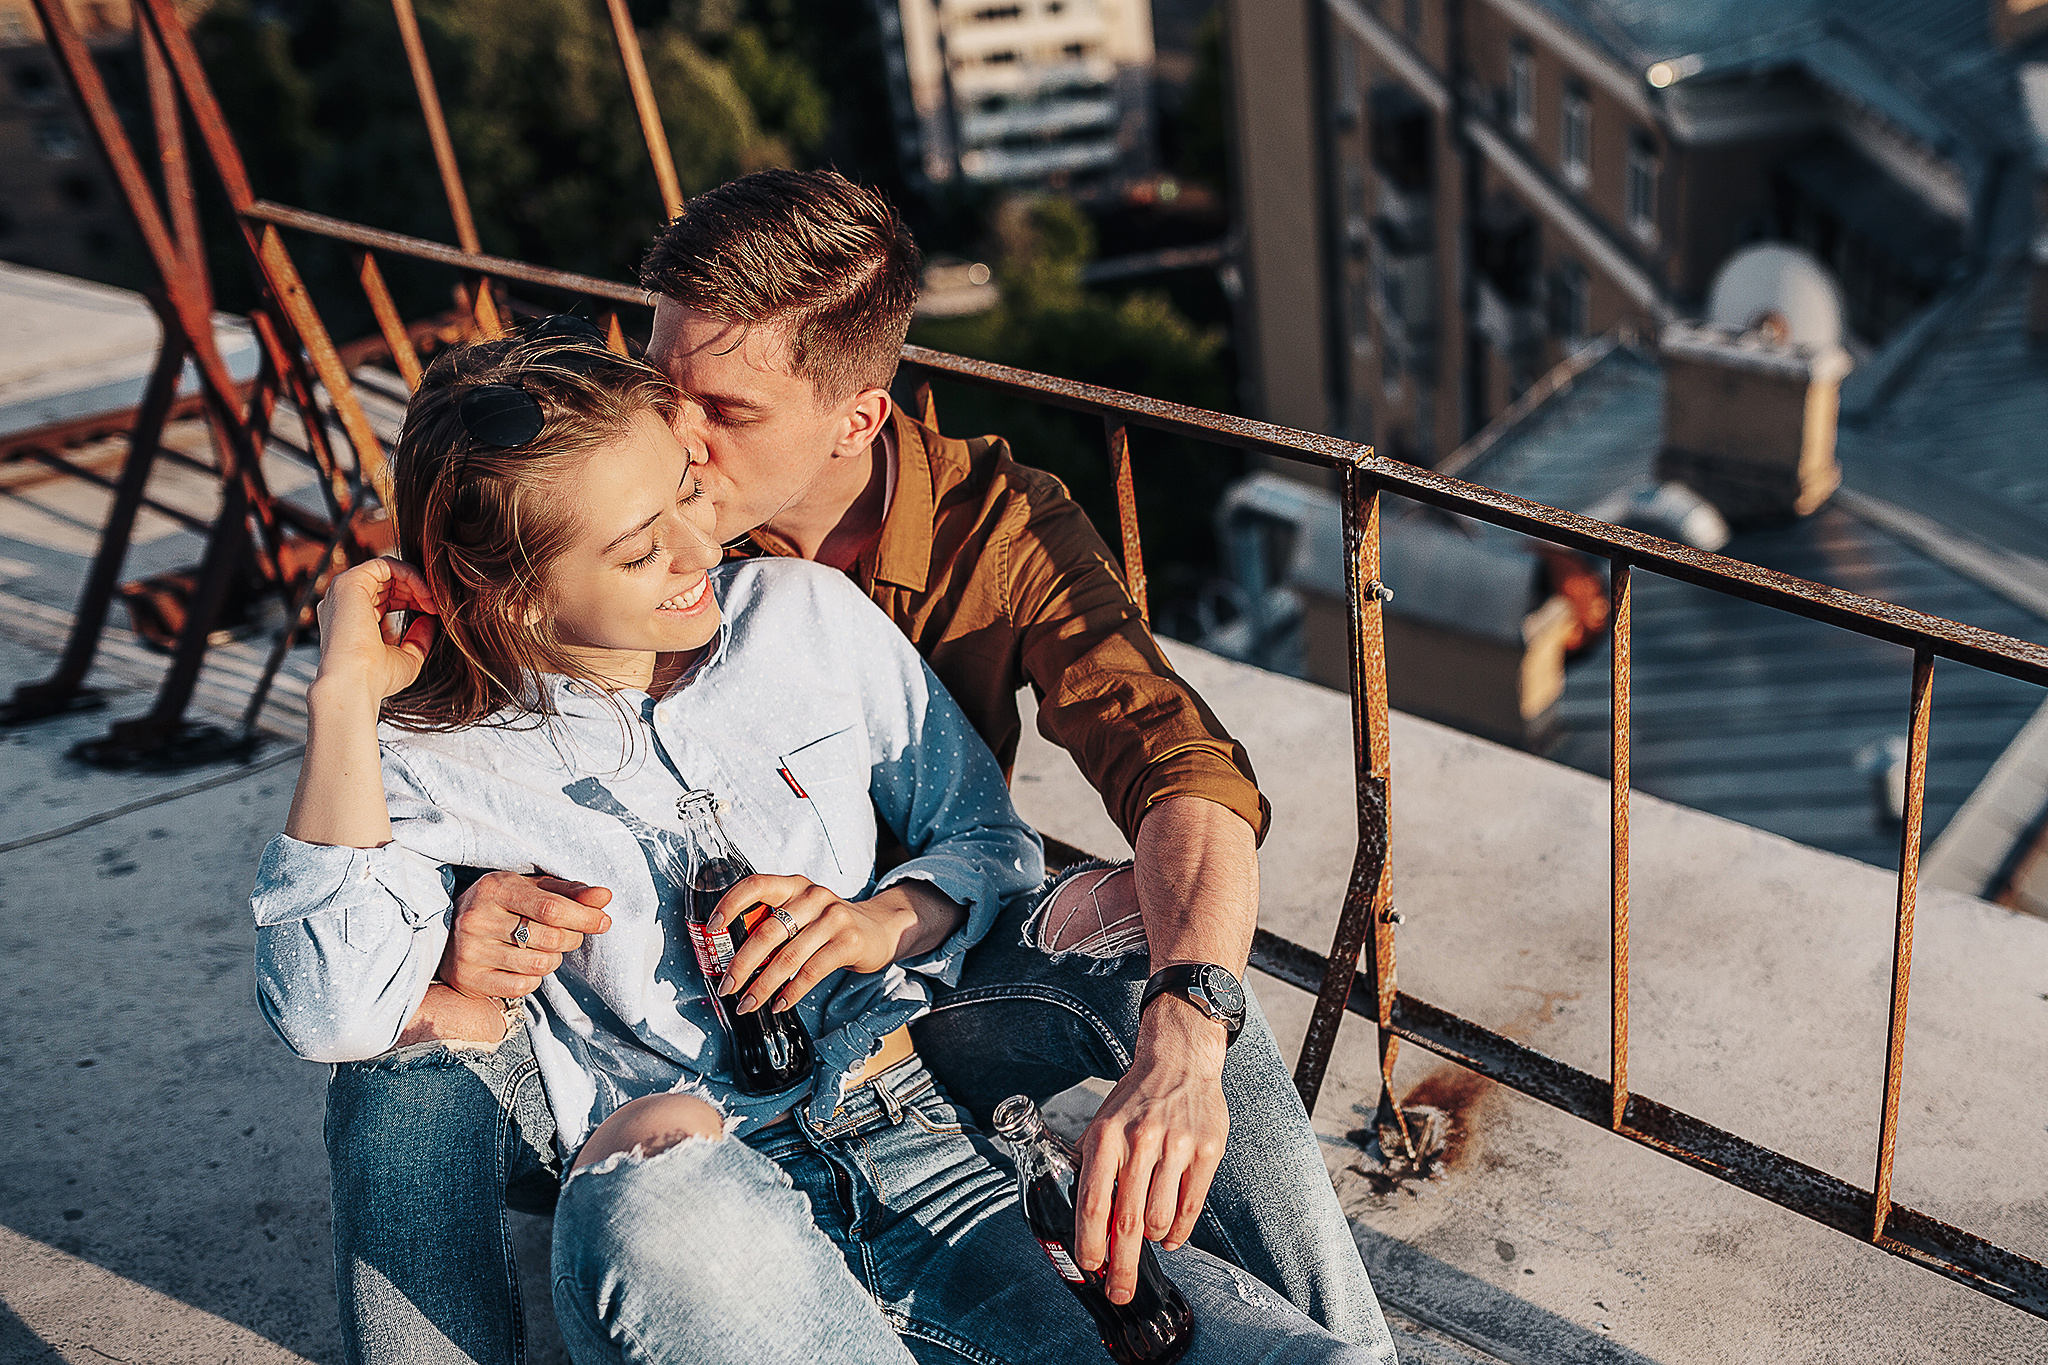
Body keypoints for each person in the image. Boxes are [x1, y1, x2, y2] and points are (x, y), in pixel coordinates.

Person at [330, 171, 1397, 1365]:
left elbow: (1178, 767)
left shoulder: (985, 532)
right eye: (660, 384)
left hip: (901, 1006)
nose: (673, 440)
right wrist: (456, 926)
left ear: (856, 420)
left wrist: (1184, 1035)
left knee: (1166, 941)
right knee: (400, 1051)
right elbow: (431, 762)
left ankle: (1349, 1342)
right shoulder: (609, 502)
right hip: (635, 1062)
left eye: (723, 411)